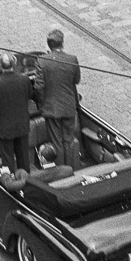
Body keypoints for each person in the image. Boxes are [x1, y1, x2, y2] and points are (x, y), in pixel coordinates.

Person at [34, 30, 81, 169]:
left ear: (49, 46)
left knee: (56, 142)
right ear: (63, 43)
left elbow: (38, 87)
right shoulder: (72, 59)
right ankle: (72, 169)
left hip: (51, 108)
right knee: (69, 141)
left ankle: (62, 171)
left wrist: (42, 104)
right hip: (68, 107)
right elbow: (76, 80)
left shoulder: (42, 61)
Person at [0, 53, 32, 174]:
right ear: (14, 64)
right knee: (23, 156)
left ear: (0, 65)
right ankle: (27, 179)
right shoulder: (24, 79)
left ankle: (11, 181)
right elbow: (30, 95)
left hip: (4, 127)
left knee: (7, 157)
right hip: (22, 124)